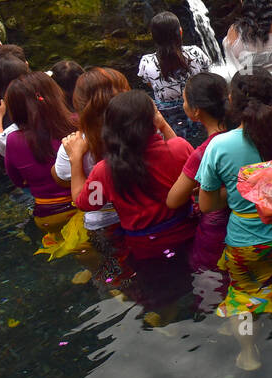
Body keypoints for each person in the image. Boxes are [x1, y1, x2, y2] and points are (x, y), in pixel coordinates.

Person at [195, 69, 272, 368]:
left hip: (246, 243)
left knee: (241, 298)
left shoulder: (219, 145)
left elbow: (207, 204)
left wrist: (236, 191)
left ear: (231, 102)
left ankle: (249, 351)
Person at [75, 90, 196, 261]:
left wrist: (75, 160)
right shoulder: (179, 147)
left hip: (144, 247)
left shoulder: (103, 171)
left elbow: (87, 204)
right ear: (153, 120)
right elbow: (188, 164)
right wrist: (163, 125)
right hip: (189, 232)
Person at [54, 68, 131, 270]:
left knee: (114, 271)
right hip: (142, 215)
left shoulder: (74, 146)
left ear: (78, 105)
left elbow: (88, 200)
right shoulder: (142, 130)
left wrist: (75, 159)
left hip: (104, 223)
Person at [165, 73, 230, 285]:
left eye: (184, 100)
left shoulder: (203, 152)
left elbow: (173, 200)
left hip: (217, 234)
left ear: (195, 112)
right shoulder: (245, 133)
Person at [1, 71, 79, 232]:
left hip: (47, 217)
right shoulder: (77, 124)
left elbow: (17, 180)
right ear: (55, 96)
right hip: (83, 208)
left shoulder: (13, 140)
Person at [138, 11, 210, 144]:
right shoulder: (196, 53)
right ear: (180, 32)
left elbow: (149, 84)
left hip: (167, 118)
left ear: (153, 37)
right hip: (198, 110)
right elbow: (206, 75)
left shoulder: (146, 62)